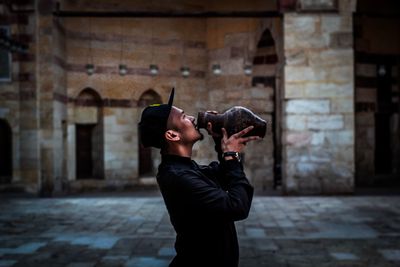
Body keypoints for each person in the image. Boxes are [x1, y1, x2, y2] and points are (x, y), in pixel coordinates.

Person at [138, 88, 260, 267]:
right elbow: (237, 206)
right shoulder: (178, 177)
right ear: (172, 135)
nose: (193, 119)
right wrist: (230, 154)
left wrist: (221, 144)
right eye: (184, 117)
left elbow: (225, 176)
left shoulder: (184, 168)